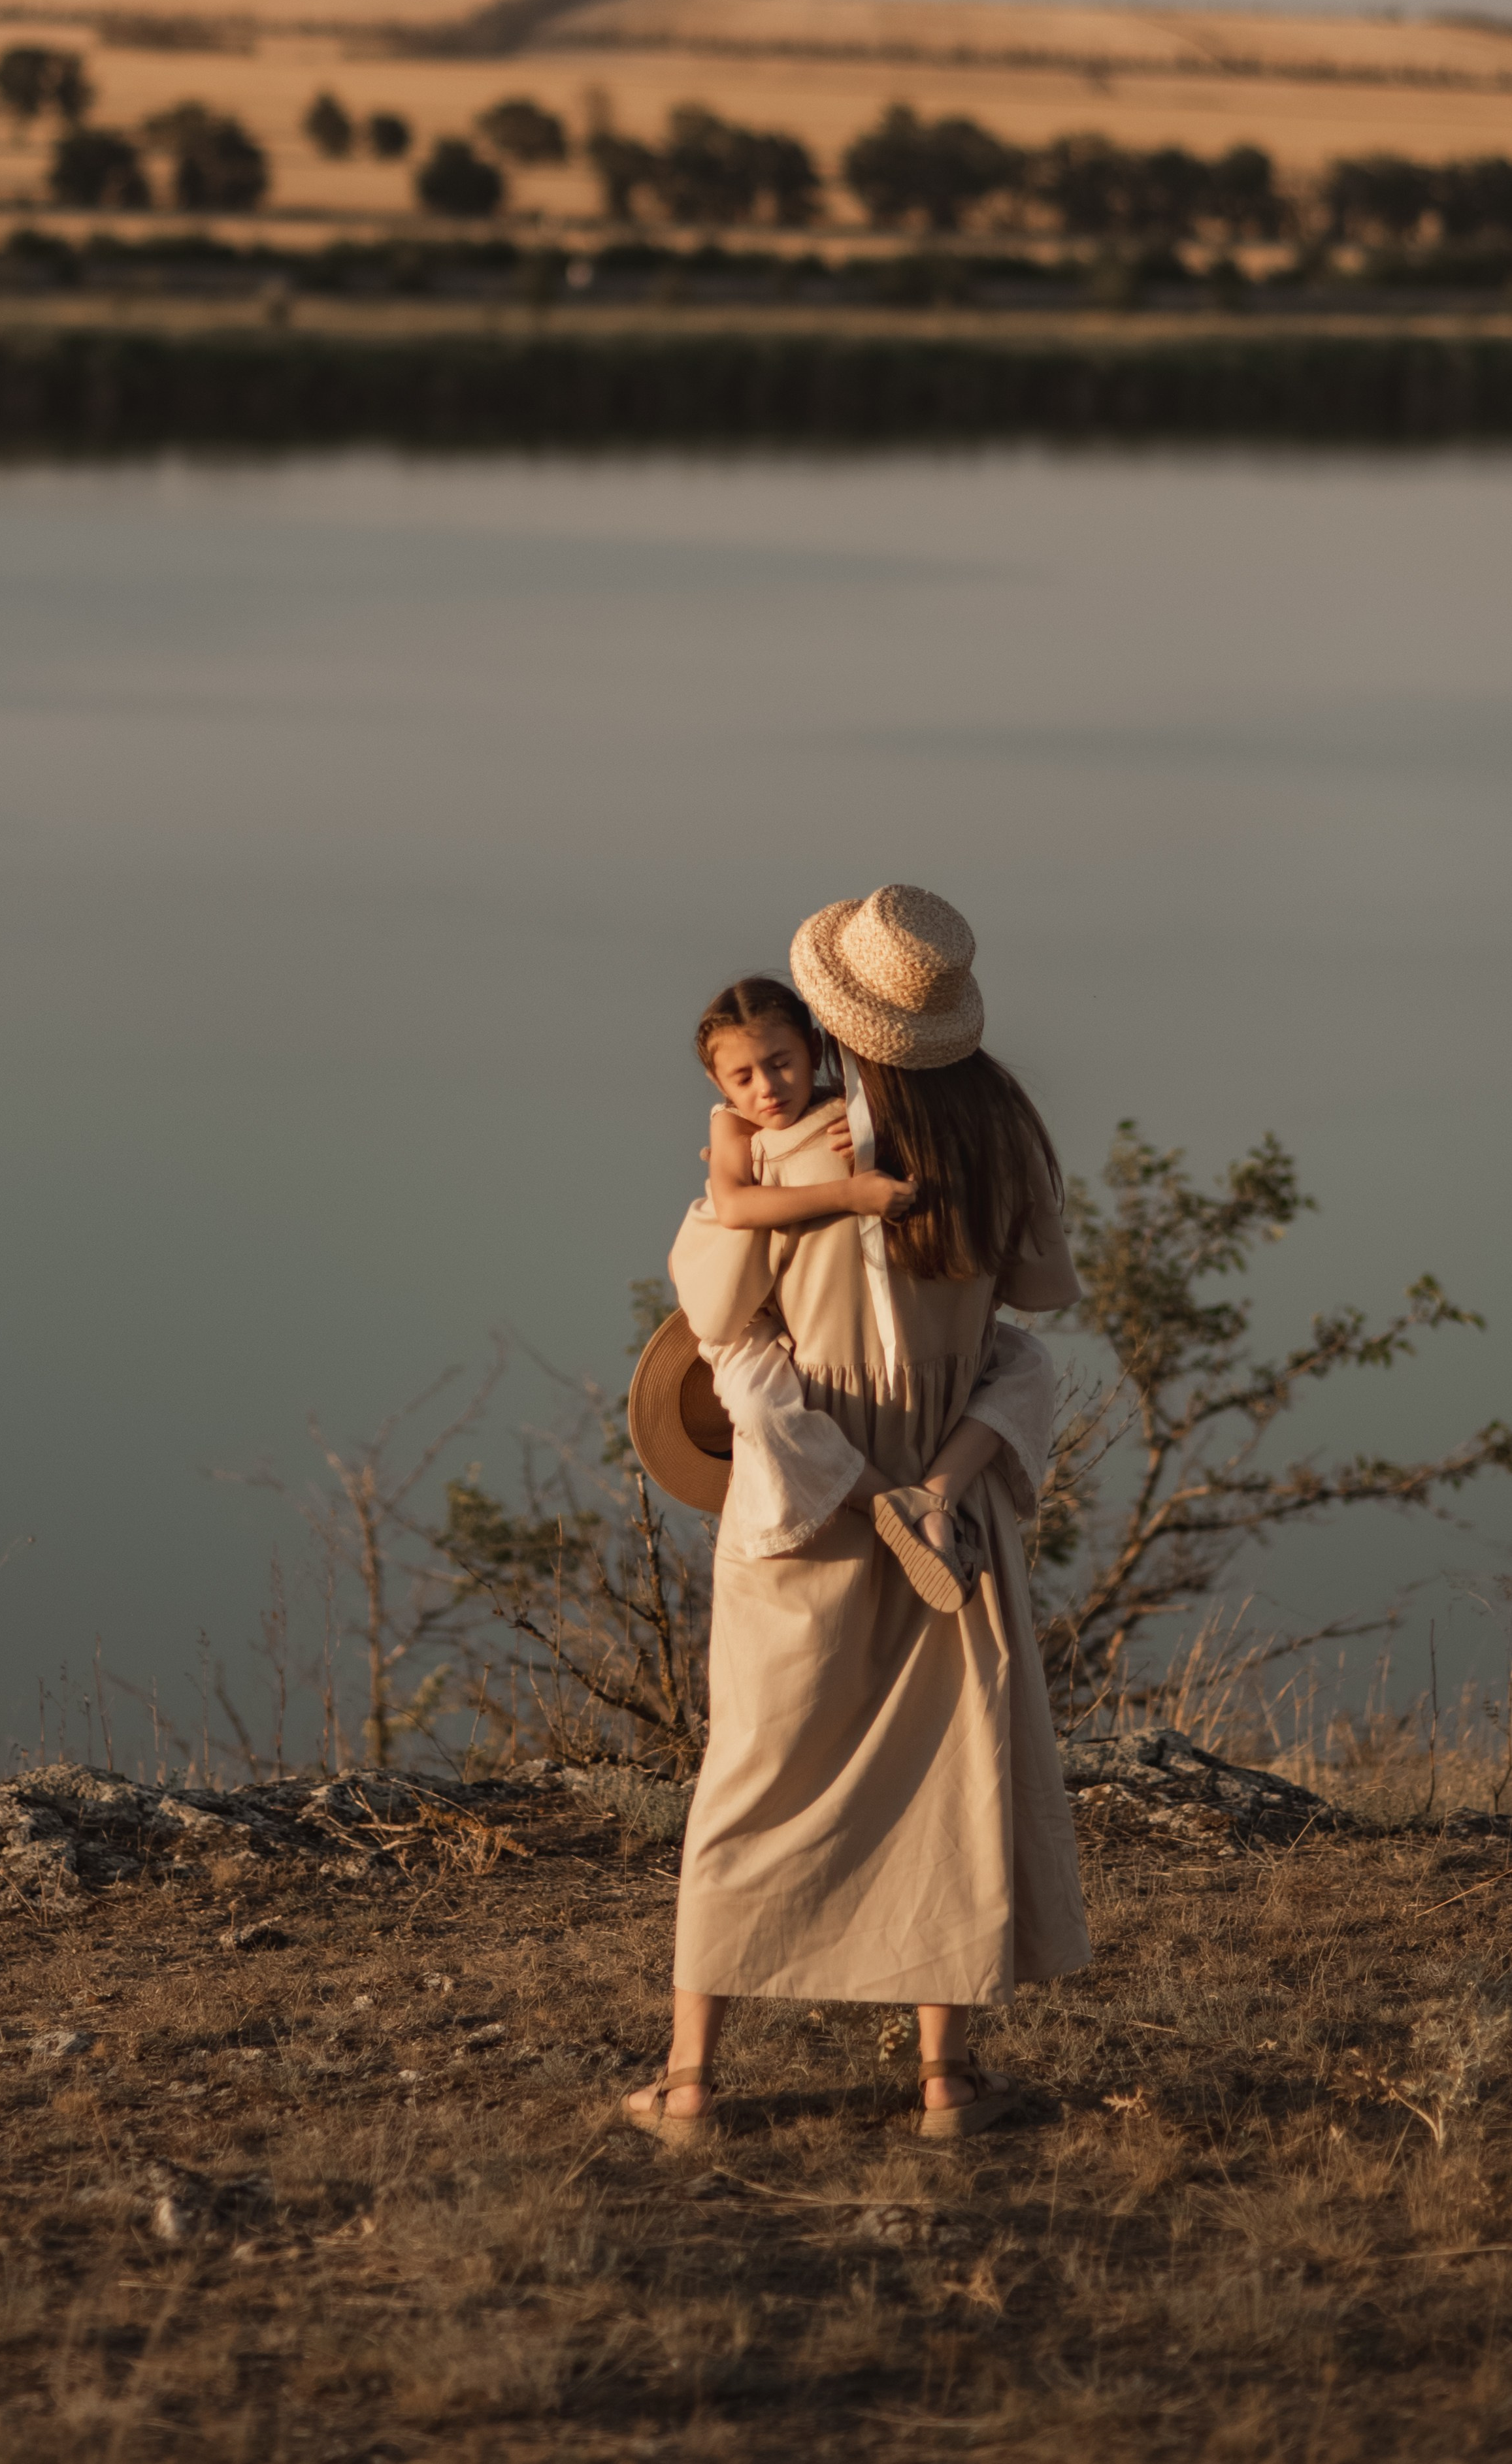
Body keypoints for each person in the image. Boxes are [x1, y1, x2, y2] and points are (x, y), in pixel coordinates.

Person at [625, 886, 1090, 2143]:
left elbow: (721, 1321)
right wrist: (937, 1474)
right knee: (951, 1776)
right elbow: (1027, 1313)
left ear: (830, 1021)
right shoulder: (999, 1136)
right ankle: (942, 2081)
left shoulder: (785, 1152)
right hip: (947, 1494)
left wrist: (836, 1458)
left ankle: (689, 2081)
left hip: (813, 1487)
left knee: (756, 1771)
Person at [691, 975, 1057, 1583]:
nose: (767, 1088)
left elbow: (898, 1118)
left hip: (877, 1351)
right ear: (718, 1084)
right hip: (771, 1330)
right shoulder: (733, 1126)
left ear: (814, 1046)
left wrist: (881, 1124)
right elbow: (732, 1207)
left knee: (1028, 1366)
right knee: (767, 1407)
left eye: (781, 1064)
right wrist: (850, 1194)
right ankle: (889, 1500)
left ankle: (935, 1493)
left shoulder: (855, 1112)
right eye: (743, 1077)